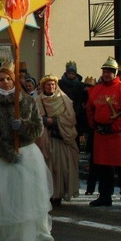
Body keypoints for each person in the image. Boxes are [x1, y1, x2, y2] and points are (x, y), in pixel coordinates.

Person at [0, 67, 54, 241]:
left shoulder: (28, 101)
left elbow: (38, 128)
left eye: (9, 79)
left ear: (15, 81)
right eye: (1, 80)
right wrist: (7, 154)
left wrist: (22, 126)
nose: (6, 82)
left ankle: (32, 239)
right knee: (6, 202)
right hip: (4, 158)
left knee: (27, 200)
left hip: (28, 155)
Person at [86, 57, 121, 210]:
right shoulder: (95, 90)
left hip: (118, 135)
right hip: (101, 134)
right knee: (103, 168)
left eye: (110, 71)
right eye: (104, 71)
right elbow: (90, 109)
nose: (106, 74)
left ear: (116, 73)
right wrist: (94, 124)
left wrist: (113, 127)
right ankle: (104, 196)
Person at [35, 75, 79, 207]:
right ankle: (49, 193)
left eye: (53, 84)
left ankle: (59, 194)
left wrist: (55, 121)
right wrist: (44, 120)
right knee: (49, 166)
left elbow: (71, 117)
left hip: (62, 137)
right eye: (48, 85)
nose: (51, 87)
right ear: (43, 86)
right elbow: (34, 117)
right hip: (46, 138)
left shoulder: (64, 99)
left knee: (62, 167)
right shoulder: (38, 100)